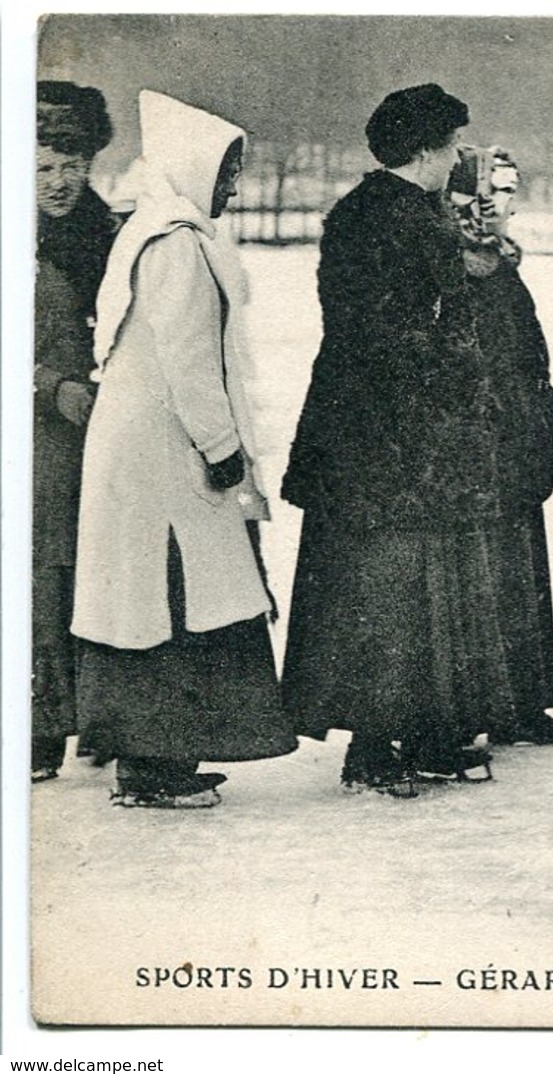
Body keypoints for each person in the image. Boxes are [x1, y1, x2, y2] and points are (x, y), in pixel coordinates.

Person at [282, 84, 510, 796]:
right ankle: (377, 745)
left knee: (406, 588)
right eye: (449, 148)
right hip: (395, 437)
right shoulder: (400, 218)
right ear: (424, 152)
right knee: (391, 590)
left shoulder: (375, 211)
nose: (456, 160)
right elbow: (388, 330)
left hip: (372, 433)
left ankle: (424, 733)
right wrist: (453, 363)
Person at [72, 90, 294, 808]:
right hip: (164, 456)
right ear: (194, 168)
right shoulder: (176, 246)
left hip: (147, 451)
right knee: (172, 603)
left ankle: (153, 759)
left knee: (156, 601)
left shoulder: (156, 231)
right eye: (226, 172)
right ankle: (154, 765)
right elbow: (190, 360)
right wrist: (223, 448)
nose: (233, 187)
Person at [446, 144, 553, 747]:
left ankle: (523, 704)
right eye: (494, 192)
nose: (506, 204)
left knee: (520, 572)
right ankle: (489, 706)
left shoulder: (498, 262)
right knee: (487, 573)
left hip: (518, 438)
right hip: (481, 443)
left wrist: (540, 408)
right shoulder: (453, 265)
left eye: (510, 192)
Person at [33, 81, 121, 783]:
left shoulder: (111, 236)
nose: (60, 183)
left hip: (100, 432)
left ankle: (98, 714)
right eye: (42, 167)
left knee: (91, 573)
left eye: (73, 165)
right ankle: (38, 726)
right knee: (36, 580)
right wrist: (46, 386)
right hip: (32, 442)